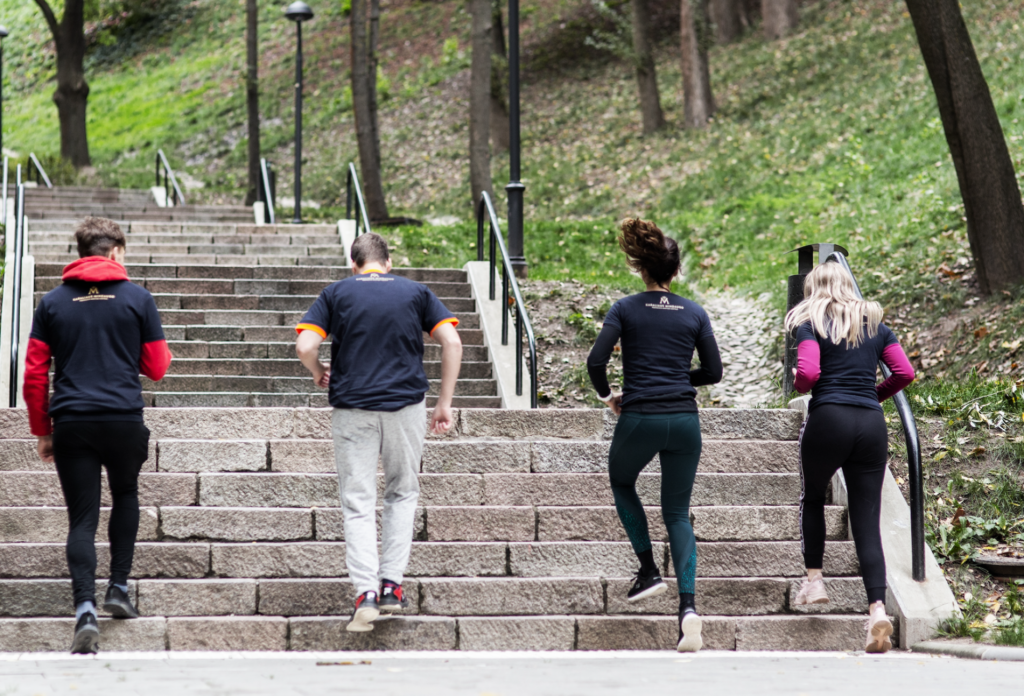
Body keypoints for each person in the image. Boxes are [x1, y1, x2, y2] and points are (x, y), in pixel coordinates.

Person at [295, 232, 462, 633]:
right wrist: (443, 403)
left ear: (354, 265)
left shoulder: (336, 292)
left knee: (357, 499)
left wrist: (319, 372)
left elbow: (304, 345)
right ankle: (392, 586)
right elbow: (452, 341)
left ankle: (365, 594)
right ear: (388, 263)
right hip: (405, 407)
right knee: (402, 492)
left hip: (352, 408)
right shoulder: (416, 292)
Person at [23, 217, 173, 654]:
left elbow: (35, 374)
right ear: (117, 251)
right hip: (123, 419)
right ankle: (119, 589)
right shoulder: (138, 298)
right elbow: (158, 367)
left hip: (73, 421)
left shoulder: (51, 302)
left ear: (80, 251)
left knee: (82, 518)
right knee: (125, 495)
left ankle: (84, 609)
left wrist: (42, 430)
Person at [587, 218, 723, 653]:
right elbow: (715, 372)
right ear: (675, 270)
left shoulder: (624, 309)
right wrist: (679, 380)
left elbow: (595, 362)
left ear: (640, 269)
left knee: (622, 481)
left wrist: (611, 396)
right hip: (684, 420)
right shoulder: (695, 312)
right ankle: (688, 609)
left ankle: (647, 571)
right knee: (678, 514)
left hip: (641, 417)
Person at [786, 260, 915, 654]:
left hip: (829, 420)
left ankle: (814, 581)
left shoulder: (811, 324)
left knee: (812, 498)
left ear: (814, 289)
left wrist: (798, 380)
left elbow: (807, 373)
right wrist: (870, 396)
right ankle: (876, 609)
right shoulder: (876, 325)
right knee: (866, 521)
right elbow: (904, 372)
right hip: (871, 426)